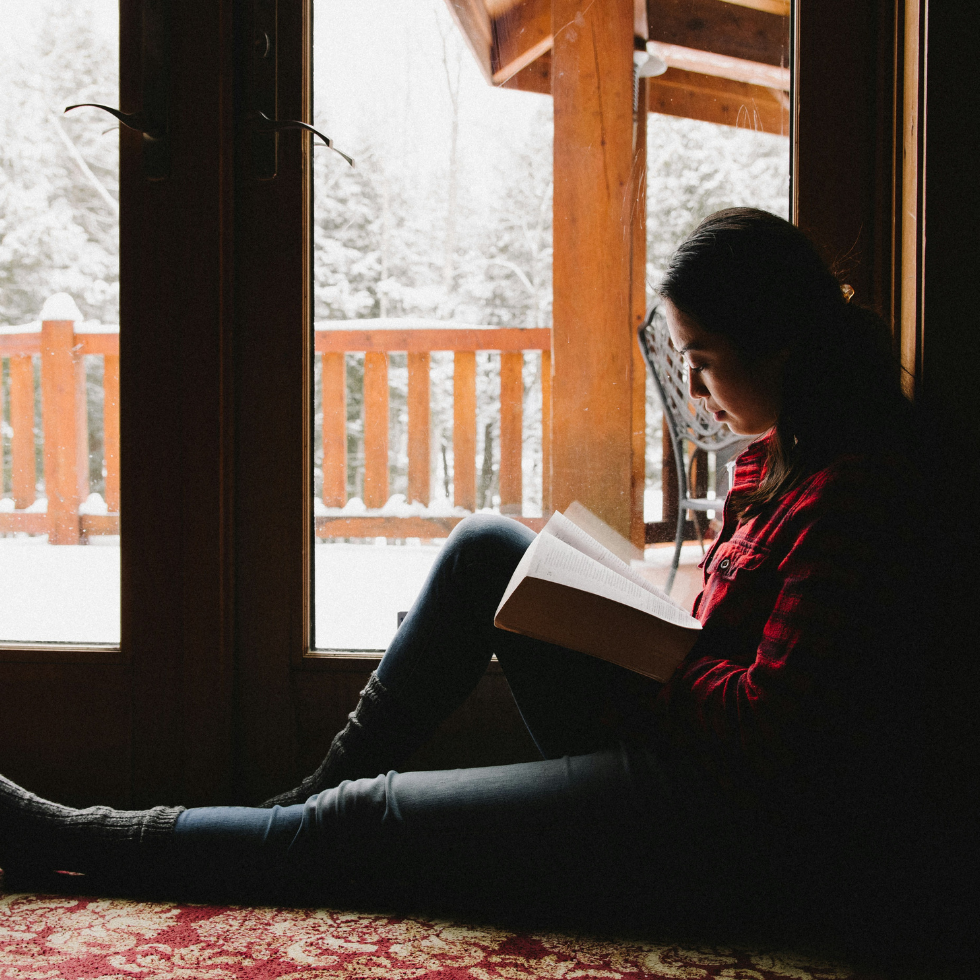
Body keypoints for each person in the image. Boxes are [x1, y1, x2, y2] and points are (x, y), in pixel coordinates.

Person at [0, 209, 954, 947]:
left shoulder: (859, 491)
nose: (698, 391)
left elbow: (774, 731)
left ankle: (80, 838)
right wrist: (638, 632)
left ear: (779, 346)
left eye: (704, 363)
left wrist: (656, 660)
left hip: (735, 835)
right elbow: (726, 651)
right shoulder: (776, 454)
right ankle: (291, 811)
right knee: (488, 547)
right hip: (684, 752)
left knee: (370, 824)